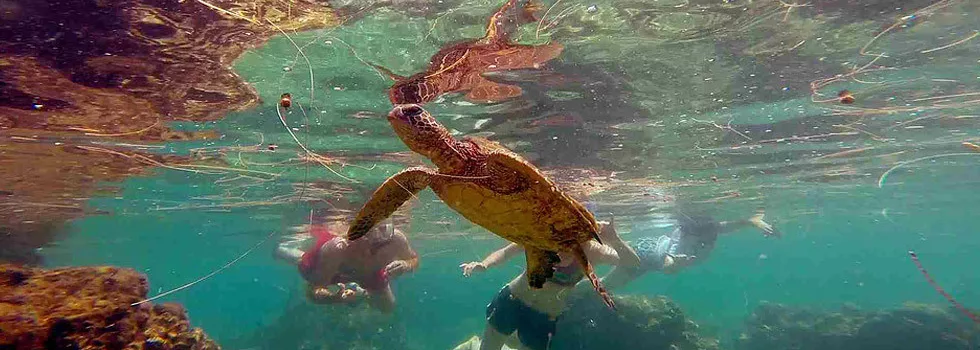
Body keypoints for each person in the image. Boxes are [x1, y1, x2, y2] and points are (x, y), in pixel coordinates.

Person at [457, 218, 640, 350]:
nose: (565, 249)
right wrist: (484, 264)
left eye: (575, 240)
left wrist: (615, 240)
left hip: (544, 318)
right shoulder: (541, 238)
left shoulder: (595, 251)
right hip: (512, 301)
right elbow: (506, 252)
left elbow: (633, 263)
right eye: (563, 238)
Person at [585, 208, 781, 293]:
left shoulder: (711, 229)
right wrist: (676, 264)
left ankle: (568, 282)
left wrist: (753, 222)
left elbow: (733, 224)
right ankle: (566, 286)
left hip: (648, 251)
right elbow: (668, 265)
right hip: (643, 256)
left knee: (604, 283)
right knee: (603, 286)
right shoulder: (685, 238)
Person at [275, 217, 419, 313]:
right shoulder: (337, 249)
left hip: (368, 273)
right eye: (363, 240)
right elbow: (313, 290)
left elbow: (413, 259)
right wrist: (336, 298)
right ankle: (286, 251)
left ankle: (363, 294)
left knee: (388, 307)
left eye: (381, 232)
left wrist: (406, 265)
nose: (369, 251)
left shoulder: (396, 239)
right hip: (335, 271)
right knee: (305, 264)